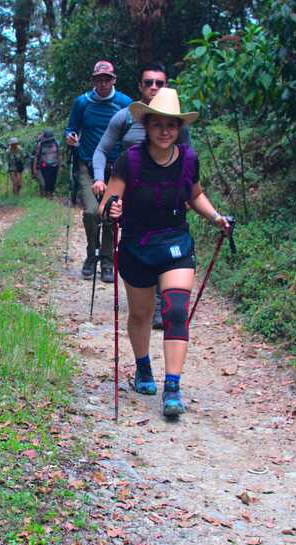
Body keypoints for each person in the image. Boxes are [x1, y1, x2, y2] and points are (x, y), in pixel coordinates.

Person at [98, 88, 231, 417]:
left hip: (175, 242)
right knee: (141, 314)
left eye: (171, 126)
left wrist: (216, 217)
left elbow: (195, 195)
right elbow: (107, 204)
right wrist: (111, 210)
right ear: (147, 125)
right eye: (158, 125)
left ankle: (173, 386)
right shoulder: (128, 161)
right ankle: (144, 368)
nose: (165, 131)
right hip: (136, 245)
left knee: (174, 311)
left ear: (179, 128)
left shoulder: (188, 159)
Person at [92, 62, 193, 329]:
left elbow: (187, 160)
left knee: (165, 240)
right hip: (129, 190)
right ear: (139, 86)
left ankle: (161, 302)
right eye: (148, 82)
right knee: (137, 241)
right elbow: (102, 150)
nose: (153, 88)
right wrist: (100, 179)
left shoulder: (177, 125)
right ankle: (142, 293)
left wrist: (185, 192)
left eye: (159, 83)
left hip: (165, 194)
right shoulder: (123, 118)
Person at [66, 60, 133, 283]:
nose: (103, 83)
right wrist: (70, 137)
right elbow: (71, 127)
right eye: (99, 79)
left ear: (114, 80)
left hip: (116, 167)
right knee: (92, 212)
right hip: (87, 163)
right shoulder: (82, 103)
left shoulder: (125, 103)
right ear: (93, 81)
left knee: (110, 214)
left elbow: (133, 131)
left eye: (107, 79)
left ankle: (107, 261)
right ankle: (91, 253)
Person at [32, 129, 60, 197]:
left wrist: (60, 166)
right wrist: (34, 169)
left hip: (54, 166)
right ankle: (45, 196)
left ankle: (50, 196)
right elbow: (36, 157)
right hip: (44, 166)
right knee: (44, 183)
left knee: (52, 182)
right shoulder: (40, 145)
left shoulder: (56, 143)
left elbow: (59, 155)